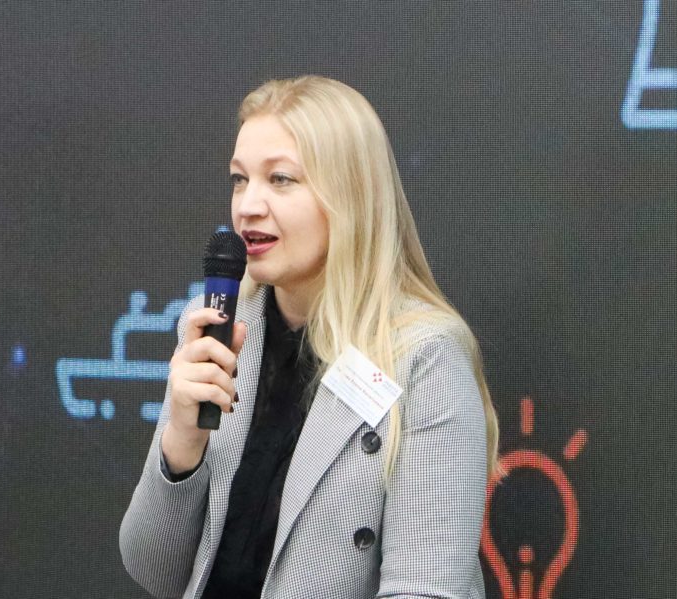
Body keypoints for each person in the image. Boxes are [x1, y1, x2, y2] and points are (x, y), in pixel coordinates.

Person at [120, 75, 500, 599]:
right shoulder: (219, 326)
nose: (248, 205)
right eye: (239, 179)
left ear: (350, 195)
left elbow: (428, 587)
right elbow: (153, 570)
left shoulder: (422, 356)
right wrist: (182, 441)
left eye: (280, 179)